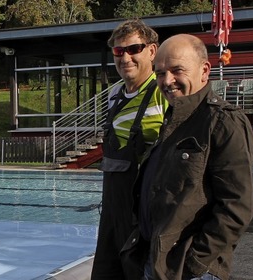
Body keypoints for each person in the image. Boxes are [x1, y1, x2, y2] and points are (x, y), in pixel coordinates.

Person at [122, 34, 253, 280]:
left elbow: (237, 207)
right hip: (156, 262)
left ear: (204, 71)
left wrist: (193, 262)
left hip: (187, 269)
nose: (167, 81)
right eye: (160, 73)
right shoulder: (174, 120)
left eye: (177, 70)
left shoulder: (223, 122)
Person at [91, 19, 168, 280]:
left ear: (152, 51)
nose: (126, 57)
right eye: (118, 51)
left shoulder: (163, 91)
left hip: (145, 213)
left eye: (134, 49)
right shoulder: (114, 95)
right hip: (113, 212)